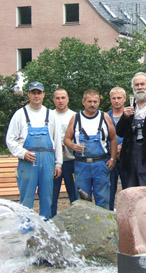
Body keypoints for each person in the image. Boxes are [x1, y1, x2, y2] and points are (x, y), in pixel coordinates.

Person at [6, 81, 62, 219]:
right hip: (28, 162)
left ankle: (45, 229)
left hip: (48, 162)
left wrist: (58, 163)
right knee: (26, 199)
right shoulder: (20, 114)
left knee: (47, 198)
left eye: (39, 93)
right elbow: (10, 139)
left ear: (43, 95)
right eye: (33, 93)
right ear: (29, 94)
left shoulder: (51, 115)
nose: (36, 96)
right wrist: (22, 153)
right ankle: (25, 229)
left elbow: (57, 141)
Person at [64, 89, 117, 209]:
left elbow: (113, 139)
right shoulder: (76, 118)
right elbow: (66, 139)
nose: (92, 104)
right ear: (83, 102)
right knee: (82, 200)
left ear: (98, 102)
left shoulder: (105, 118)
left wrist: (113, 159)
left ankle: (103, 227)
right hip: (81, 165)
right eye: (89, 101)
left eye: (95, 101)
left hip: (101, 164)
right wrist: (73, 146)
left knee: (103, 199)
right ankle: (85, 226)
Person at [51, 88, 77, 217]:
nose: (60, 101)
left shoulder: (75, 116)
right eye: (57, 98)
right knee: (52, 195)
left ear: (68, 99)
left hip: (71, 161)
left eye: (63, 98)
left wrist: (70, 144)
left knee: (75, 195)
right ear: (53, 100)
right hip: (54, 162)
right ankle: (51, 222)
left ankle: (76, 222)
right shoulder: (49, 115)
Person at [107, 87, 128, 210]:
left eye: (119, 98)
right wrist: (113, 150)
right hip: (110, 160)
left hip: (126, 160)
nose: (116, 101)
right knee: (109, 190)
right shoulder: (105, 117)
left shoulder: (131, 115)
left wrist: (122, 147)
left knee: (129, 191)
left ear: (124, 99)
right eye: (114, 98)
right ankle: (108, 214)